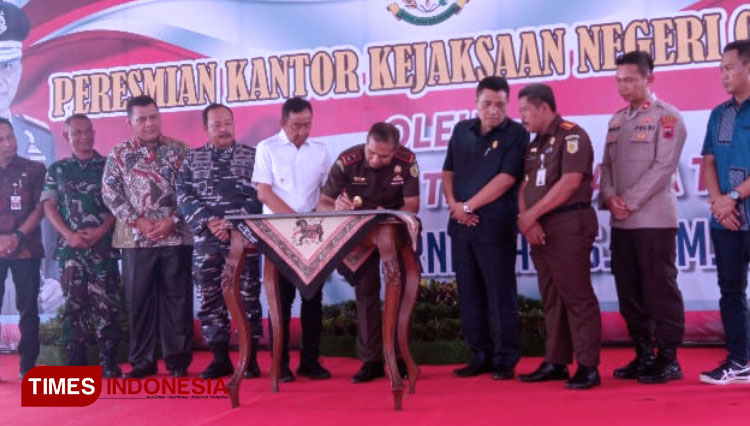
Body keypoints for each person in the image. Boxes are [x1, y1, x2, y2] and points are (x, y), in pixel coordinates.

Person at [598, 51, 687, 384]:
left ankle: (668, 358)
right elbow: (605, 167)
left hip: (653, 220)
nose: (623, 86)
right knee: (630, 291)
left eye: (631, 79)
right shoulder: (617, 120)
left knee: (658, 289)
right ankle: (643, 353)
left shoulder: (668, 118)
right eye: (619, 80)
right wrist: (609, 197)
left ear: (650, 79)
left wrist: (629, 201)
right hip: (621, 221)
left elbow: (663, 168)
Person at [441, 76, 528, 380]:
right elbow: (447, 171)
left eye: (500, 105)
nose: (494, 110)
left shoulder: (517, 134)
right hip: (461, 227)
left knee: (499, 293)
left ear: (508, 105)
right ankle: (480, 354)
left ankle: (505, 358)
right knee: (470, 294)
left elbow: (506, 179)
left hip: (495, 227)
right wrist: (455, 205)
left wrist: (468, 207)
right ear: (476, 103)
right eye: (487, 104)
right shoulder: (461, 131)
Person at [317, 122, 418, 383]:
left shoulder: (407, 162)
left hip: (393, 235)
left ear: (395, 151)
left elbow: (412, 206)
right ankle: (370, 360)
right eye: (371, 152)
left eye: (383, 156)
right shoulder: (348, 160)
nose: (375, 159)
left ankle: (398, 357)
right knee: (366, 292)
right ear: (366, 143)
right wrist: (337, 208)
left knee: (401, 288)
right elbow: (323, 204)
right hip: (359, 238)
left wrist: (386, 215)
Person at [516, 83, 601, 389]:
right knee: (551, 296)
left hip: (568, 223)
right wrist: (527, 221)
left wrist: (531, 216)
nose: (521, 116)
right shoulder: (534, 144)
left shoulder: (572, 135)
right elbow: (524, 186)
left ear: (542, 107)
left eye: (525, 109)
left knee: (576, 295)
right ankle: (556, 360)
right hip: (540, 227)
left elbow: (570, 183)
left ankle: (588, 365)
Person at [102, 95, 193, 379]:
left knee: (177, 300)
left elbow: (192, 190)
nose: (149, 123)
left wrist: (173, 219)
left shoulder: (180, 151)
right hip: (135, 240)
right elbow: (110, 193)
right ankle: (143, 362)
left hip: (175, 236)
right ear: (129, 122)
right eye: (141, 119)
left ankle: (177, 362)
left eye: (153, 116)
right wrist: (138, 221)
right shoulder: (118, 154)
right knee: (138, 301)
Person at [176, 104, 263, 379]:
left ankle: (250, 359)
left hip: (244, 239)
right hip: (207, 241)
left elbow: (260, 193)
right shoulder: (192, 159)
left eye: (227, 123)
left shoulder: (253, 157)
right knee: (210, 297)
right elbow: (183, 193)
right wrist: (209, 221)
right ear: (206, 128)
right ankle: (220, 357)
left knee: (248, 296)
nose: (223, 129)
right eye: (216, 125)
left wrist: (233, 223)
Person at [252, 97, 332, 381]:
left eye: (307, 125)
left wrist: (323, 214)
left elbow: (325, 193)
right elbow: (264, 192)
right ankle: (281, 363)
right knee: (280, 300)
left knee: (313, 299)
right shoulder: (267, 148)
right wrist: (293, 222)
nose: (302, 131)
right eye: (296, 126)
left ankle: (310, 361)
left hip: (313, 234)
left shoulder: (320, 151)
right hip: (279, 234)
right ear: (283, 123)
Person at [41, 114, 123, 377]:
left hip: (103, 247)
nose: (84, 137)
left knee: (106, 303)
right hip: (71, 250)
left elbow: (119, 205)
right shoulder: (57, 169)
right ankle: (76, 364)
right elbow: (49, 206)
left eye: (88, 131)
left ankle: (108, 362)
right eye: (77, 133)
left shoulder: (109, 166)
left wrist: (101, 230)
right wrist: (68, 234)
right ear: (66, 136)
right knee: (73, 305)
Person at [699, 39, 750, 385]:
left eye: (729, 67)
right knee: (730, 290)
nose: (723, 75)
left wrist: (732, 195)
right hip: (727, 222)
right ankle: (740, 360)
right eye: (721, 69)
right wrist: (719, 201)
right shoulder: (719, 113)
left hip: (738, 206)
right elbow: (709, 159)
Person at [0, 2, 58, 285]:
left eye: (7, 66)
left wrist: (55, 278)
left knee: (29, 321)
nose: (0, 81)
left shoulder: (41, 138)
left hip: (29, 266)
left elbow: (52, 210)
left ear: (20, 67)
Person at [0, 117, 45, 378]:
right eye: (1, 140)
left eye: (10, 137)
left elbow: (41, 209)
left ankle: (28, 366)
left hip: (27, 248)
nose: (8, 144)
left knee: (28, 308)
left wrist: (15, 236)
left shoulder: (34, 169)